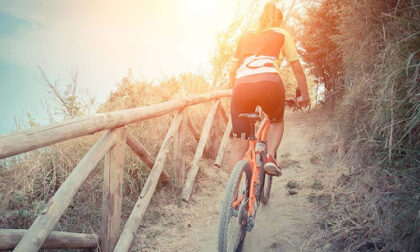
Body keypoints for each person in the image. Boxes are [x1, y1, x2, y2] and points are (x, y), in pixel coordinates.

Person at [229, 3, 310, 176]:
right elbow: (297, 68)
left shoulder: (245, 37)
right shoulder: (281, 34)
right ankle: (270, 157)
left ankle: (231, 199)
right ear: (278, 21)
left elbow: (232, 69)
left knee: (238, 143)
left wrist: (234, 89)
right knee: (276, 120)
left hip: (241, 86)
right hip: (269, 83)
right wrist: (305, 96)